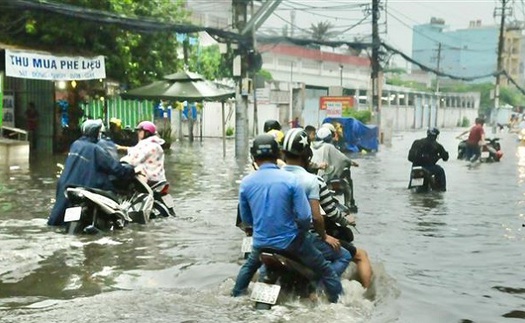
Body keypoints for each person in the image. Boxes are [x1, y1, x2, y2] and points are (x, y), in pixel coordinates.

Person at [231, 134, 342, 303]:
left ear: (254, 157)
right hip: (291, 243)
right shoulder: (291, 180)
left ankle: (235, 298)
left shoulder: (246, 183)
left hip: (261, 243)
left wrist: (261, 231)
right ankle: (338, 304)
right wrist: (302, 233)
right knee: (326, 270)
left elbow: (247, 220)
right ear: (277, 155)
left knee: (248, 268)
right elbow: (305, 217)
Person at [281, 128, 351, 278]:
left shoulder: (272, 178)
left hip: (274, 238)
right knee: (345, 256)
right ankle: (321, 287)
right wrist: (343, 223)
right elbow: (319, 216)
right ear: (307, 155)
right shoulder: (313, 181)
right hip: (303, 240)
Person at [48, 119, 136, 226]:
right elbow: (115, 168)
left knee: (58, 219)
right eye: (99, 132)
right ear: (96, 133)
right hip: (87, 187)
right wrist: (130, 170)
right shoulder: (96, 149)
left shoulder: (76, 144)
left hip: (66, 185)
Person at [317, 175, 373, 288]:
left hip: (281, 240)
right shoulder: (314, 183)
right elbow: (330, 212)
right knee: (360, 255)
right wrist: (345, 221)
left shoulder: (285, 182)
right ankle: (367, 294)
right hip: (311, 238)